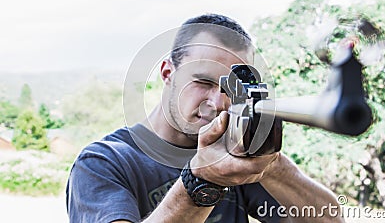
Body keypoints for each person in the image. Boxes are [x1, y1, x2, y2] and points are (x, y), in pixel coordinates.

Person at [66, 13, 344, 222]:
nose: (218, 101)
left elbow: (329, 219)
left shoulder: (233, 154)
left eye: (231, 88)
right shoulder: (104, 162)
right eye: (202, 81)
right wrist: (200, 182)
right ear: (167, 73)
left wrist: (272, 166)